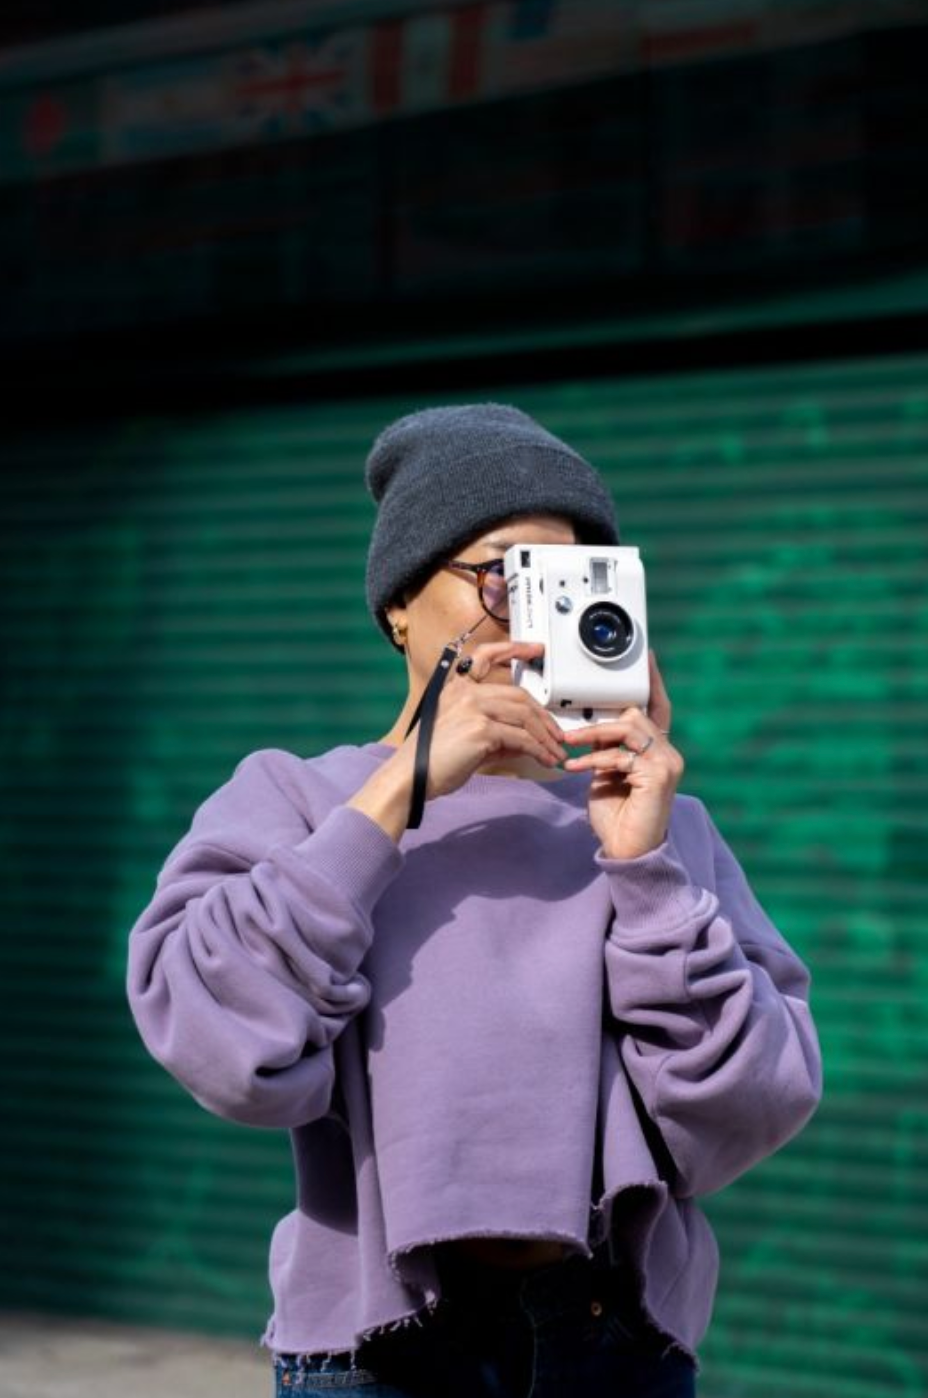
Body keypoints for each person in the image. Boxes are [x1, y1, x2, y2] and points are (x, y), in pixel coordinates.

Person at [127, 403, 822, 1398]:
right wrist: (393, 799)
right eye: (504, 576)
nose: (532, 615)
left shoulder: (655, 822)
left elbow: (753, 1106)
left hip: (612, 1343)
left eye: (571, 584)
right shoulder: (297, 797)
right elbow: (221, 1046)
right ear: (399, 607)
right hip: (374, 1351)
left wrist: (644, 867)